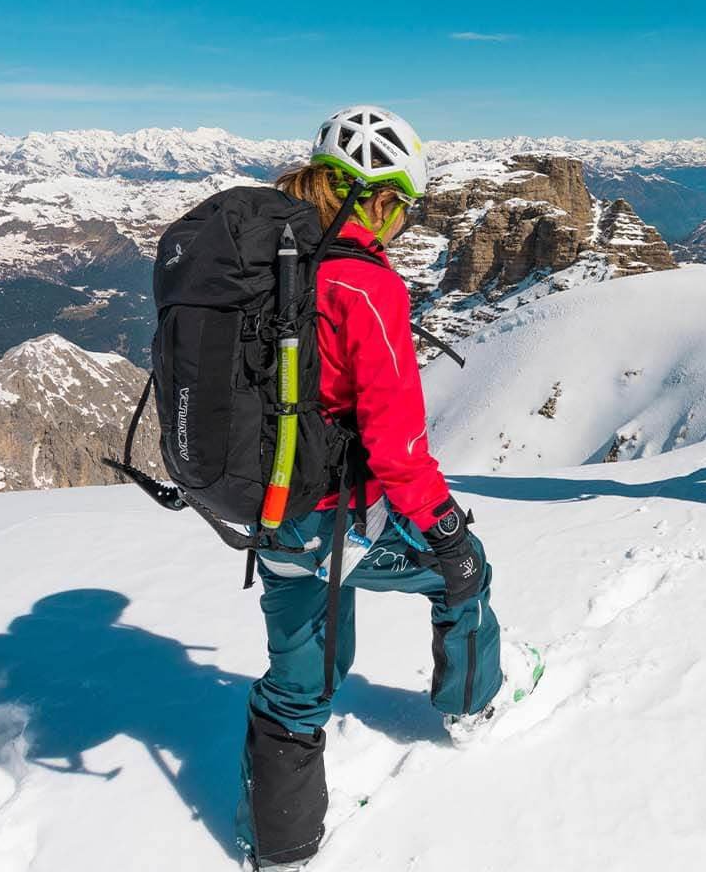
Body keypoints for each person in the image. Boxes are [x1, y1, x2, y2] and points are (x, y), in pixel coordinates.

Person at [239, 105, 540, 871]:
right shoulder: (366, 287)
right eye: (402, 204)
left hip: (268, 512)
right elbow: (399, 449)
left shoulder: (263, 267)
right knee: (463, 578)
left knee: (298, 677)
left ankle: (280, 848)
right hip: (344, 519)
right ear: (374, 197)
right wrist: (449, 534)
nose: (404, 221)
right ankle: (471, 707)